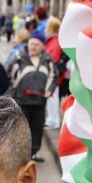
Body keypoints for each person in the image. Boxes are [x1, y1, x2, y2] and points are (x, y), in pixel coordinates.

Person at [8, 30, 56, 162]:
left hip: (39, 101)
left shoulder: (47, 59)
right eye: (31, 44)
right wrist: (13, 91)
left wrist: (49, 90)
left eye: (37, 44)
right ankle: (20, 155)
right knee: (21, 128)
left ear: (42, 46)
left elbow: (53, 75)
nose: (33, 47)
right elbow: (9, 74)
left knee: (37, 128)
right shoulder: (19, 57)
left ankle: (33, 153)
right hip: (22, 100)